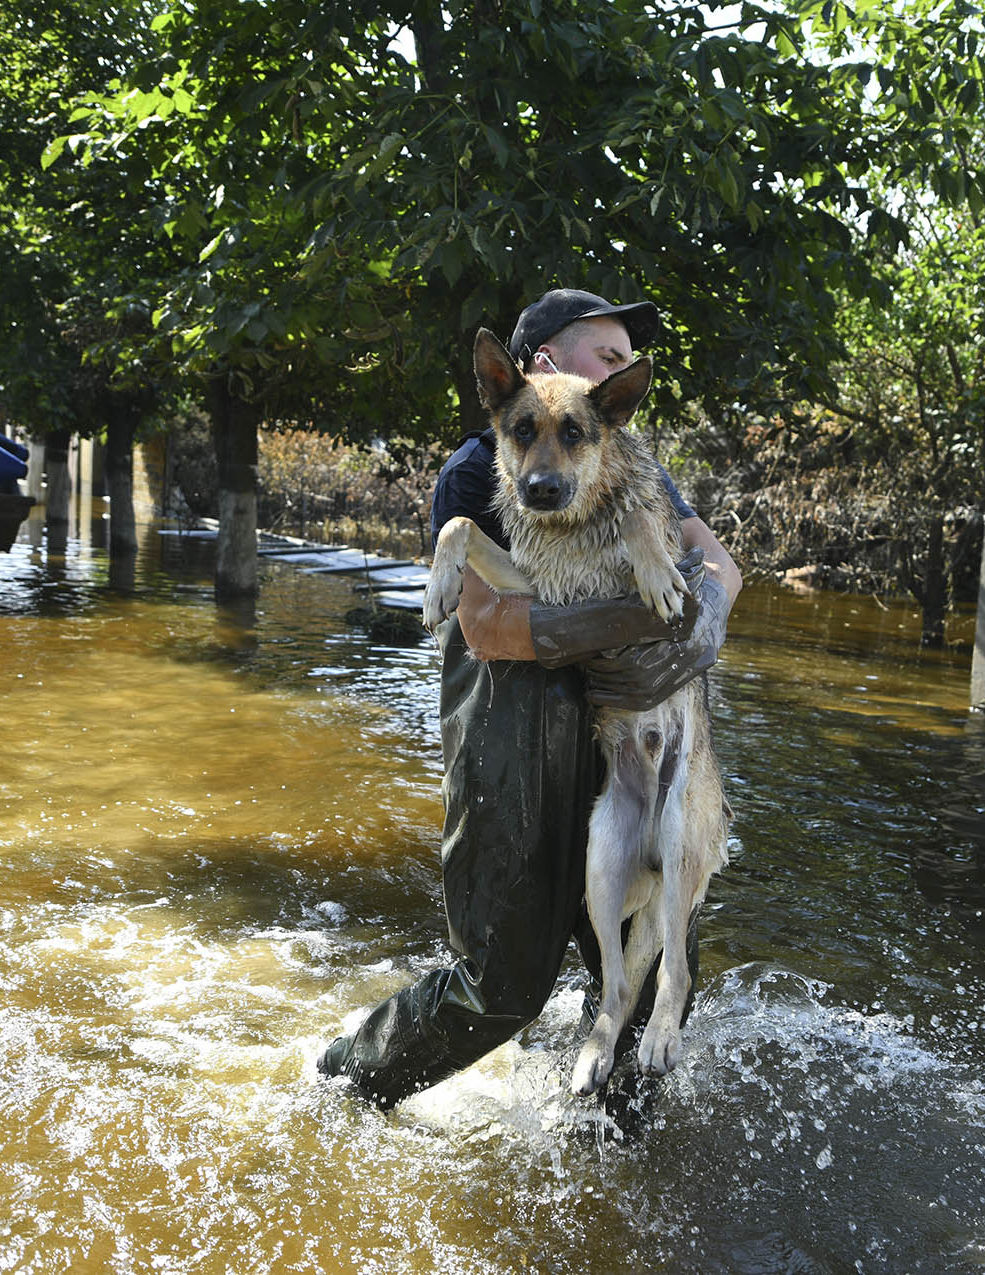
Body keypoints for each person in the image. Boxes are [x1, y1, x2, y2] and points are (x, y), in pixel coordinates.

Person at [317, 288, 742, 1119]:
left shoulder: (629, 463)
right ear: (543, 364)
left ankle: (600, 1153)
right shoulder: (479, 469)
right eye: (605, 356)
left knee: (658, 965)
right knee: (504, 984)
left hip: (625, 727)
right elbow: (488, 626)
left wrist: (706, 623)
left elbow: (717, 562)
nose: (619, 375)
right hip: (517, 734)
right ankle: (342, 1084)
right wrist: (628, 618)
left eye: (626, 366)